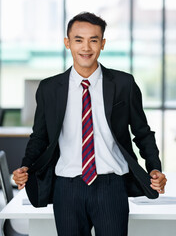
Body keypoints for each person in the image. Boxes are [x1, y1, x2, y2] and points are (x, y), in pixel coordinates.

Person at [13, 12, 167, 236]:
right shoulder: (49, 88)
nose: (86, 47)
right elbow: (40, 136)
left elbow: (142, 132)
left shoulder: (124, 84)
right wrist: (26, 165)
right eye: (78, 39)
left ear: (102, 44)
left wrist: (154, 167)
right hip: (66, 188)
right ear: (67, 43)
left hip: (111, 187)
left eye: (93, 40)